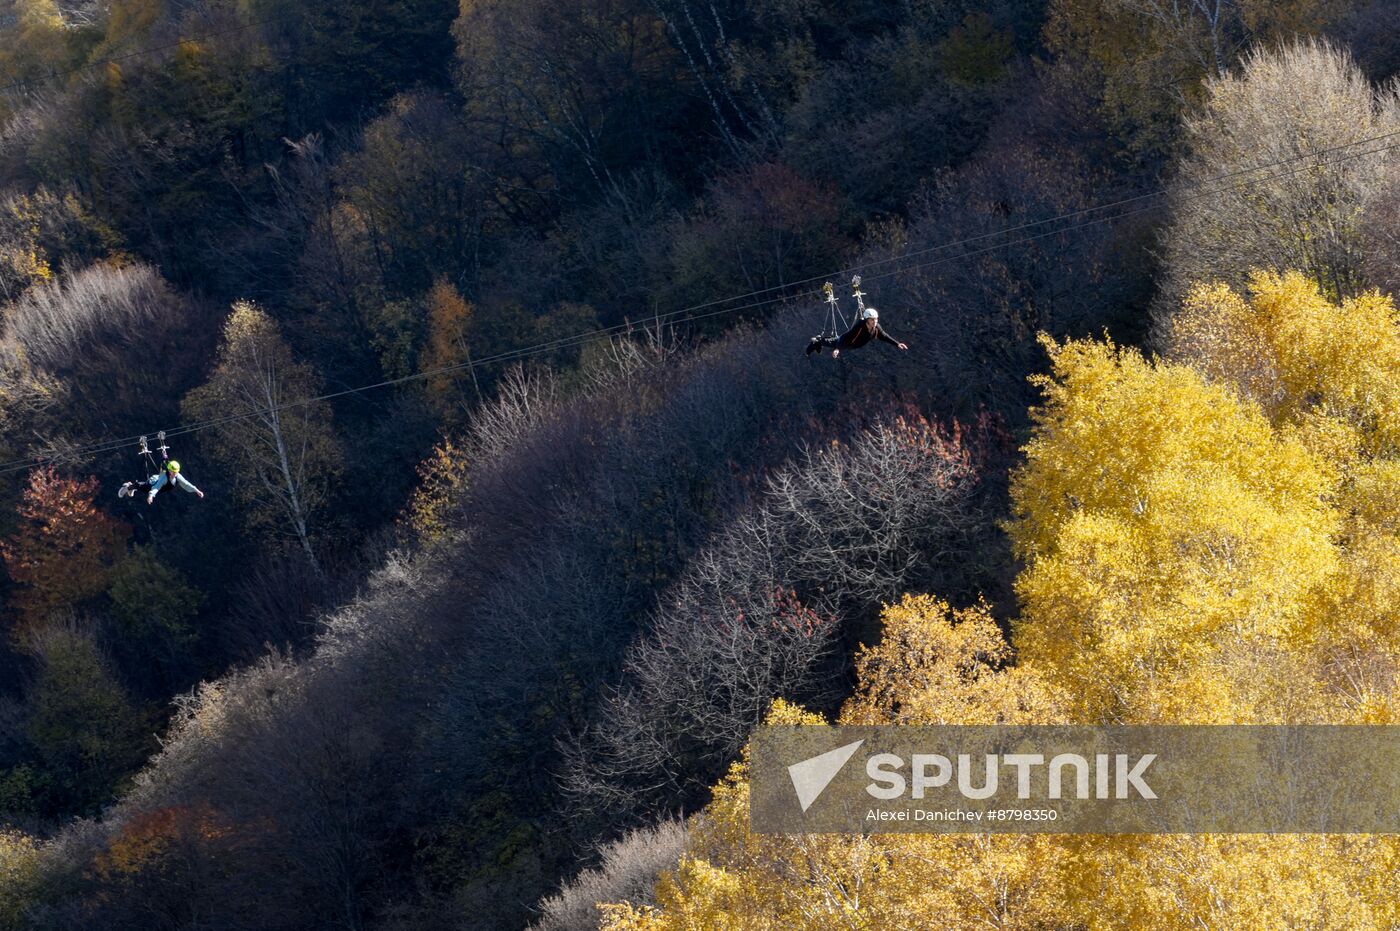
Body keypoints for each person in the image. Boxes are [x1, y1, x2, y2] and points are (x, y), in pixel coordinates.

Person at [806, 306, 909, 358]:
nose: (875, 321)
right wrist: (838, 349)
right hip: (846, 342)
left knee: (831, 342)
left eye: (876, 319)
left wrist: (897, 344)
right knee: (833, 342)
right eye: (872, 319)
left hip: (853, 345)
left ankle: (818, 342)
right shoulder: (860, 327)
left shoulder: (876, 328)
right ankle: (816, 342)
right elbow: (847, 338)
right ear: (867, 320)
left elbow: (885, 337)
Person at [118, 460, 205, 505]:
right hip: (154, 483)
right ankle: (128, 487)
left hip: (158, 483)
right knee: (143, 487)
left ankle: (132, 486)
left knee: (142, 487)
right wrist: (151, 496)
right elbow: (157, 487)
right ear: (169, 470)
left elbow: (186, 483)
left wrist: (197, 490)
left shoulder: (177, 476)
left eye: (176, 472)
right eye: (173, 472)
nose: (175, 474)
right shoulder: (164, 478)